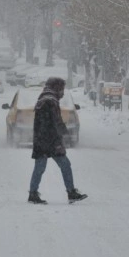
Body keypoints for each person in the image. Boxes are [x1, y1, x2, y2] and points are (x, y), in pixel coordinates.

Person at [28, 77, 87, 205]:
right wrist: (63, 134)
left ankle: (33, 193)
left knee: (40, 168)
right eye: (62, 89)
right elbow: (56, 122)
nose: (63, 93)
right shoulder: (51, 101)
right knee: (65, 165)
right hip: (51, 141)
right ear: (57, 88)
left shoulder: (43, 98)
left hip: (41, 140)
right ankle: (71, 192)